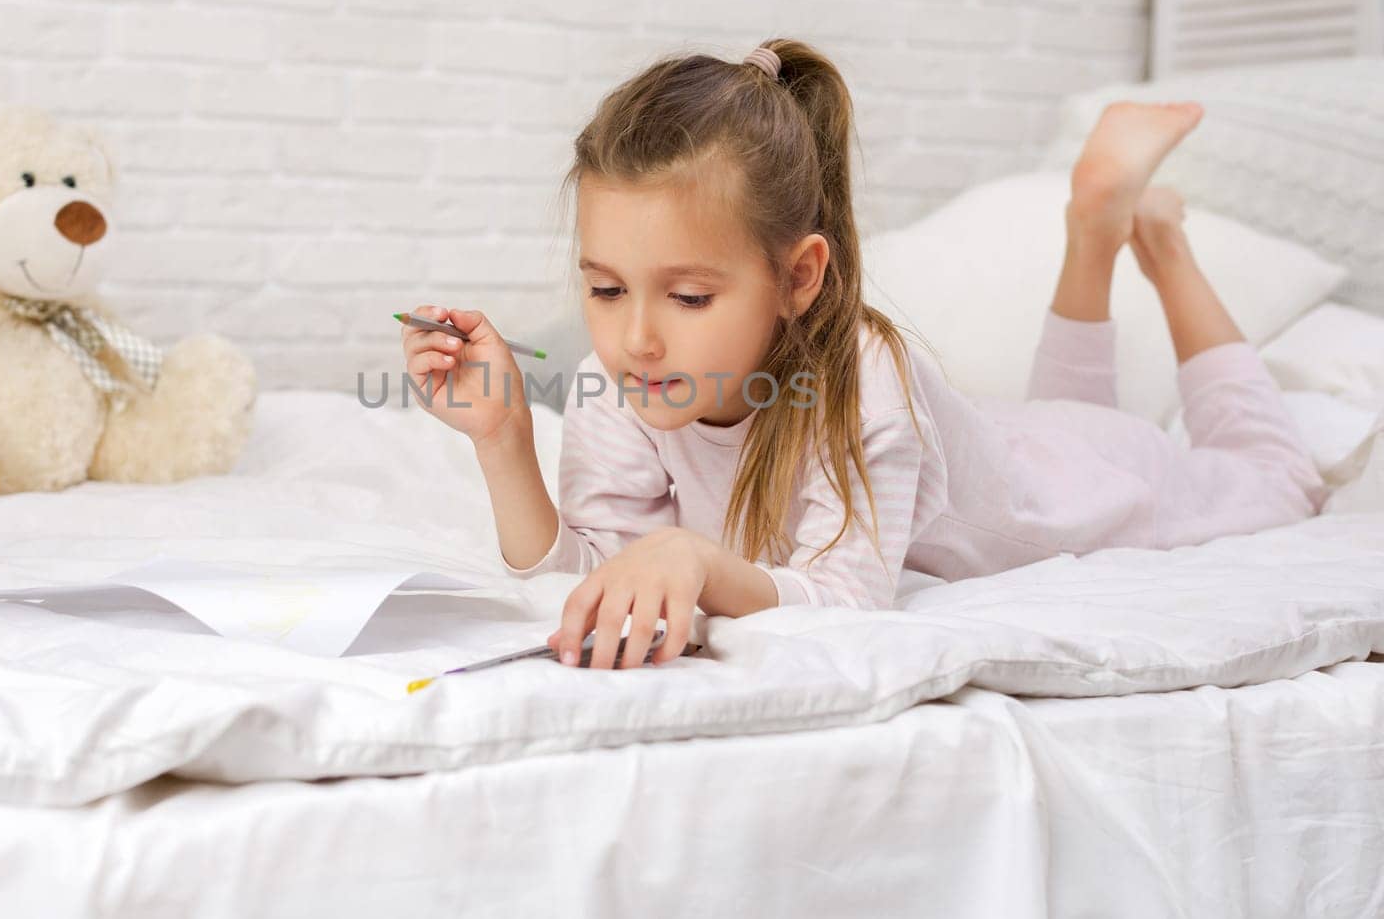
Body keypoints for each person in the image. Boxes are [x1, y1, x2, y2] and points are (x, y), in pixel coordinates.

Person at [398, 39, 1328, 672]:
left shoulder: (862, 379)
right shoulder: (630, 381)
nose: (635, 335)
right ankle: (1094, 227)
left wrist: (694, 555)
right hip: (1012, 445)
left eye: (688, 296)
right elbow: (593, 580)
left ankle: (1154, 242)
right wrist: (506, 442)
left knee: (1275, 477)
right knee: (1073, 419)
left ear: (799, 277)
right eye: (605, 289)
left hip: (1077, 488)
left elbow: (847, 600)